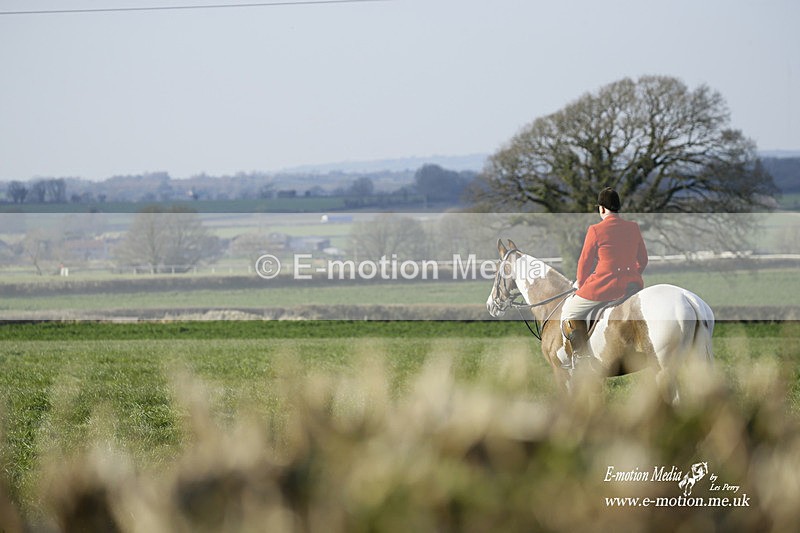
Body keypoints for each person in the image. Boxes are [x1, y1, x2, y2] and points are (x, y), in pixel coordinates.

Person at [559, 187, 648, 368]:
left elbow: (584, 262)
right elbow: (643, 260)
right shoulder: (633, 227)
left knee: (569, 311)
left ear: (601, 208)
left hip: (604, 286)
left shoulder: (595, 230)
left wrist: (581, 285)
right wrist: (632, 274)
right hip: (631, 285)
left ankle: (581, 358)